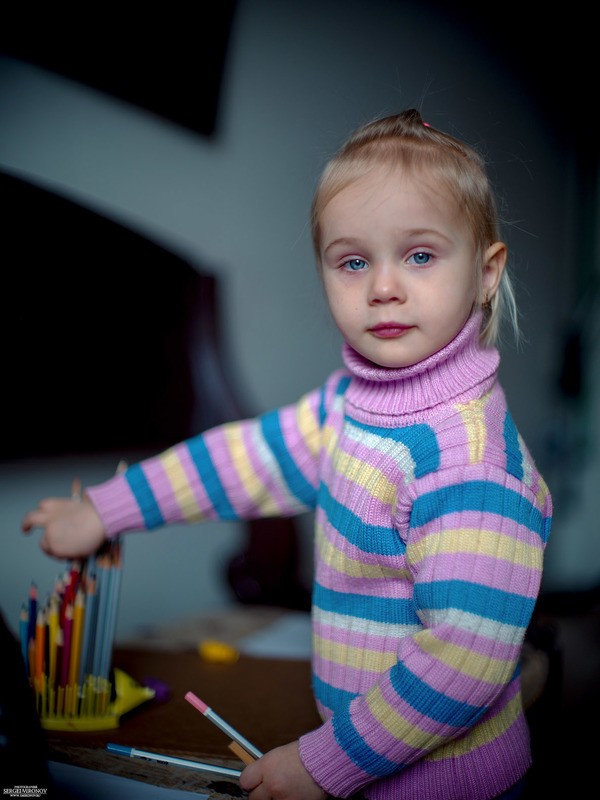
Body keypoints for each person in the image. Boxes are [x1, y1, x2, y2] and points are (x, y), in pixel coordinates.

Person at [22, 109, 552, 800]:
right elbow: (240, 461)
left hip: (443, 786)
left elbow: (463, 665)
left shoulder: (472, 466)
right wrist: (106, 509)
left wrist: (321, 765)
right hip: (360, 764)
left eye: (420, 254)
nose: (383, 285)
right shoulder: (347, 407)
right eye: (354, 260)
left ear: (486, 273)